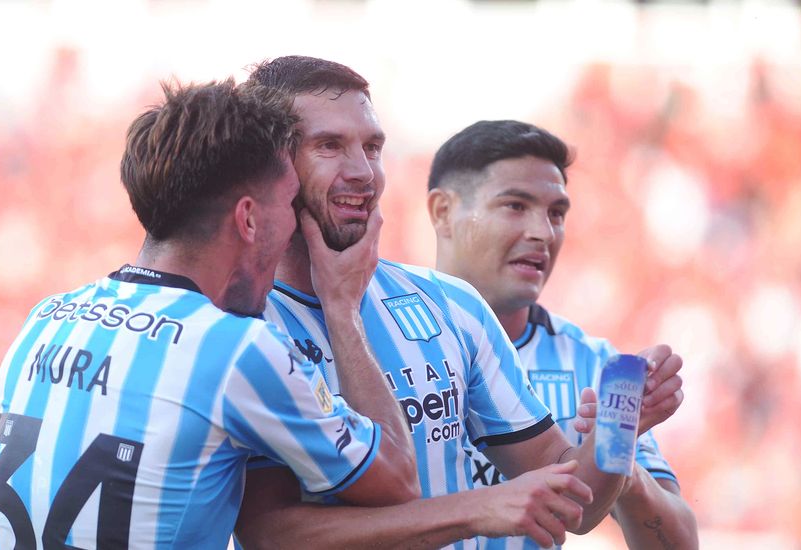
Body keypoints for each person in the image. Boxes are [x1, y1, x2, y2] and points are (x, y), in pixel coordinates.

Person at [233, 56, 684, 549]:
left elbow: (570, 501)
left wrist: (620, 429)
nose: (363, 172)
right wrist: (472, 512)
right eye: (330, 146)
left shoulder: (451, 306)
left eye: (373, 147)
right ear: (273, 164)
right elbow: (269, 535)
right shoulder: (238, 322)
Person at [0, 78, 419, 549]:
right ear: (249, 219)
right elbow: (398, 478)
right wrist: (342, 308)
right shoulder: (237, 349)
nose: (295, 222)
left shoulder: (46, 319)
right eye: (288, 204)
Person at [427, 120, 699, 548]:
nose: (543, 232)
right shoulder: (373, 334)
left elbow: (678, 544)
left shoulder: (594, 365)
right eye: (516, 205)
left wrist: (618, 456)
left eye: (556, 213)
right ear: (443, 211)